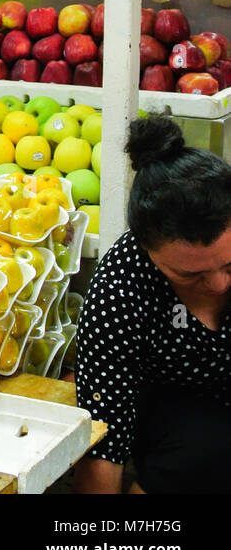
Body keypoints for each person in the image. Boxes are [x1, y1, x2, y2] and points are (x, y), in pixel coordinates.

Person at [74, 116, 231, 494]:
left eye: (229, 265)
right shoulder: (122, 283)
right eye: (190, 275)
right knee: (203, 449)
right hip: (173, 414)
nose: (219, 284)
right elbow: (104, 427)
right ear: (148, 252)